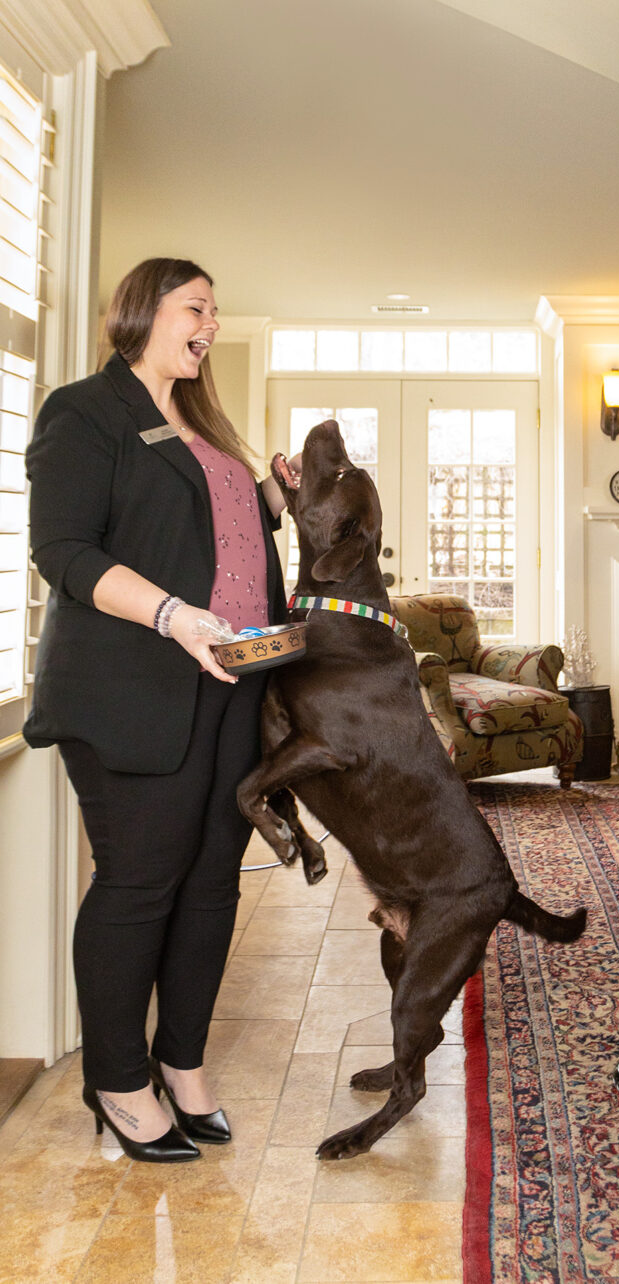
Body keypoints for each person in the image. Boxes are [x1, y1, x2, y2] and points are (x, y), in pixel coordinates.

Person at [24, 258, 288, 1162]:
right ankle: (117, 1079)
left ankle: (182, 1064)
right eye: (197, 307)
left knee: (213, 883)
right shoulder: (86, 411)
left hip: (235, 679)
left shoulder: (203, 424)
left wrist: (274, 497)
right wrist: (172, 616)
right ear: (144, 311)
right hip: (131, 689)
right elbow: (61, 547)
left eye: (217, 309)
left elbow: (214, 533)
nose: (211, 324)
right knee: (140, 883)